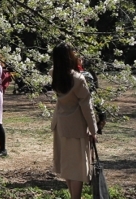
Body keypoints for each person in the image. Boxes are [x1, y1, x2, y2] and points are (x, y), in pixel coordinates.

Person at [50, 43, 97, 199]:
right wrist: (93, 129)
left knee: (68, 164)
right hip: (76, 126)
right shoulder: (78, 79)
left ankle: (73, 196)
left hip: (61, 124)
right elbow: (87, 106)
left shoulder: (54, 74)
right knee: (77, 166)